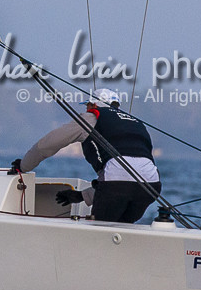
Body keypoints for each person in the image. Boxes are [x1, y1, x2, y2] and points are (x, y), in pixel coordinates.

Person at [11, 89, 161, 224]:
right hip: (151, 185)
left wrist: (23, 166)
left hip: (115, 183)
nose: (87, 109)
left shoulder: (92, 117)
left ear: (94, 105)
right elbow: (129, 177)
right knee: (123, 226)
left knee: (100, 230)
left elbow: (46, 145)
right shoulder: (136, 123)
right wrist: (82, 196)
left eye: (88, 105)